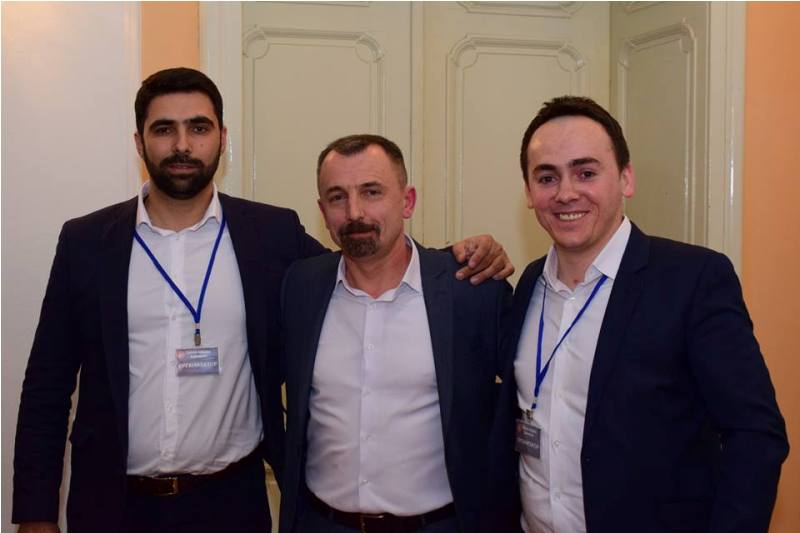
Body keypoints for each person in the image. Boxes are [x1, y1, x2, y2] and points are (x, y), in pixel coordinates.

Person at [12, 68, 513, 533]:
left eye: (199, 128)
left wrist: (457, 257)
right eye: (164, 129)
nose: (182, 145)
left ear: (222, 139)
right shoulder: (86, 243)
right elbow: (46, 386)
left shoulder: (270, 234)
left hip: (232, 503)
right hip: (113, 505)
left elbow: (365, 256)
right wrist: (35, 515)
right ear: (139, 141)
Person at [495, 96, 789, 532]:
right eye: (547, 177)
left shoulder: (694, 279)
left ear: (626, 178)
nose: (566, 193)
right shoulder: (528, 285)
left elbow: (755, 434)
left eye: (586, 172)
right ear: (528, 192)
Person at [278, 134, 511, 533]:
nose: (355, 212)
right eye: (337, 197)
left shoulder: (471, 290)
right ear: (322, 211)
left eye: (371, 192)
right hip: (322, 523)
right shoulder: (300, 286)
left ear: (408, 201)